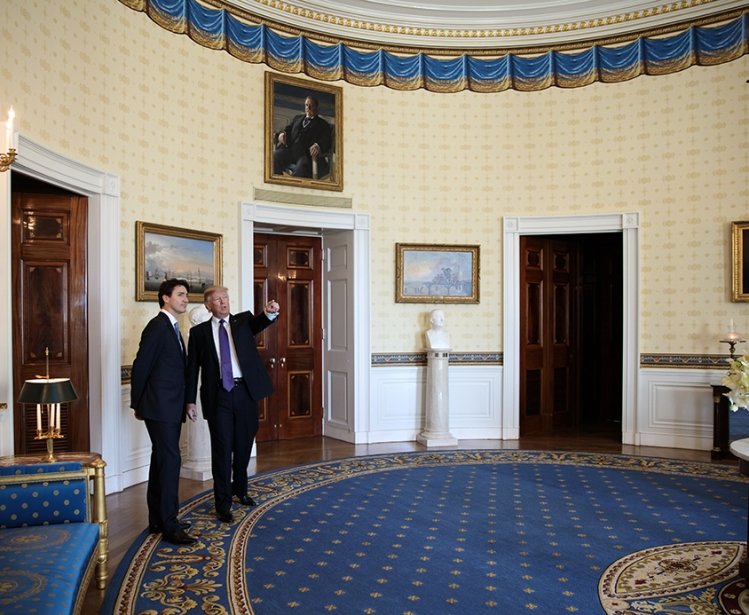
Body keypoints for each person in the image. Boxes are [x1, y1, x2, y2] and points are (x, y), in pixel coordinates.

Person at [186, 286, 280, 523]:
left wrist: (269, 312)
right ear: (208, 306)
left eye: (225, 298)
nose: (223, 302)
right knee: (222, 449)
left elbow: (260, 322)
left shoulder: (242, 321)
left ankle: (241, 489)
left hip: (244, 392)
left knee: (243, 444)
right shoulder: (199, 334)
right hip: (218, 396)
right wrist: (189, 401)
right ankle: (223, 503)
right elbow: (192, 370)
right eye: (217, 300)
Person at [130, 278, 198, 545]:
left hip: (168, 406)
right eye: (180, 295)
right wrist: (138, 404)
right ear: (165, 298)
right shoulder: (157, 327)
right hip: (159, 407)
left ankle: (158, 520)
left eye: (186, 295)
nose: (185, 299)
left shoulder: (171, 327)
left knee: (161, 461)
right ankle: (170, 526)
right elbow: (141, 366)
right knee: (170, 462)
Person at [273, 95, 332, 179]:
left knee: (301, 169)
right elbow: (288, 129)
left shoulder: (322, 124)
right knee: (274, 157)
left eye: (311, 105)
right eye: (307, 105)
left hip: (306, 155)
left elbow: (326, 140)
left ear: (316, 107)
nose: (308, 108)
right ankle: (278, 183)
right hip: (291, 150)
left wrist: (318, 146)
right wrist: (283, 133)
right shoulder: (298, 118)